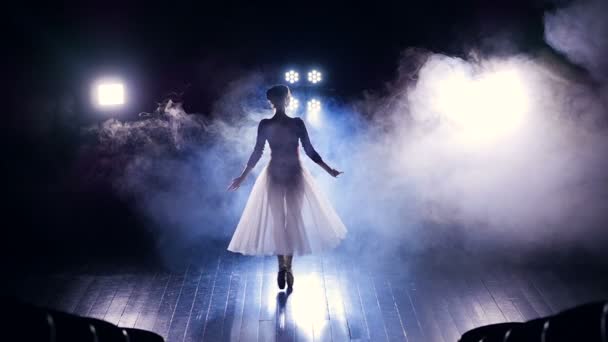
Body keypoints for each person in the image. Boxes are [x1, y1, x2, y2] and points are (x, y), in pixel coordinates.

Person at [227, 84, 347, 290]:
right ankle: (286, 268)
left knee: (279, 222)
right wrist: (329, 170)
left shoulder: (267, 124)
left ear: (272, 101)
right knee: (288, 222)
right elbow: (309, 151)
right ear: (287, 99)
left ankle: (283, 268)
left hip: (281, 174)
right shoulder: (292, 123)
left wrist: (242, 177)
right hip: (289, 175)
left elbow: (259, 153)